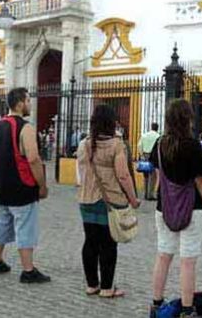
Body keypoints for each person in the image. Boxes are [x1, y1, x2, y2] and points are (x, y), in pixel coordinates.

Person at [148, 99, 202, 318]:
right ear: (188, 118)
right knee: (188, 262)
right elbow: (201, 182)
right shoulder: (192, 145)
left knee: (163, 255)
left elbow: (159, 172)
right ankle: (187, 310)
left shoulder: (160, 144)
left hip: (164, 206)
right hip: (192, 208)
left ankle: (156, 305)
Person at [76, 104, 140, 299]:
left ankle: (91, 284)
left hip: (86, 198)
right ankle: (106, 288)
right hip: (109, 200)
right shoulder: (116, 145)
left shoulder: (83, 144)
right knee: (108, 244)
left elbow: (80, 172)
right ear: (112, 122)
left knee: (90, 241)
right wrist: (132, 198)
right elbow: (123, 175)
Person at [0, 88, 50, 283]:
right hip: (21, 186)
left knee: (0, 225)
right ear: (20, 103)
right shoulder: (26, 128)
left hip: (1, 185)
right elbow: (33, 158)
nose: (30, 104)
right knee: (25, 228)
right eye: (28, 100)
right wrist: (42, 185)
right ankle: (28, 269)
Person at [138, 123, 161, 201]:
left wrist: (142, 155)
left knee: (146, 176)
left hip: (145, 155)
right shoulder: (158, 136)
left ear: (151, 127)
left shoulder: (144, 135)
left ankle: (145, 192)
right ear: (157, 128)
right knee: (153, 176)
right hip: (154, 157)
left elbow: (139, 145)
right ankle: (150, 194)